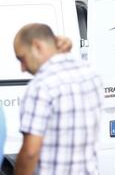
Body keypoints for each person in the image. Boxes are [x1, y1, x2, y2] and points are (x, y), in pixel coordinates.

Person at [13, 23, 103, 175]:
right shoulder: (91, 74)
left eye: (22, 58)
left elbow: (30, 153)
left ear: (37, 46)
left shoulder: (41, 86)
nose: (22, 68)